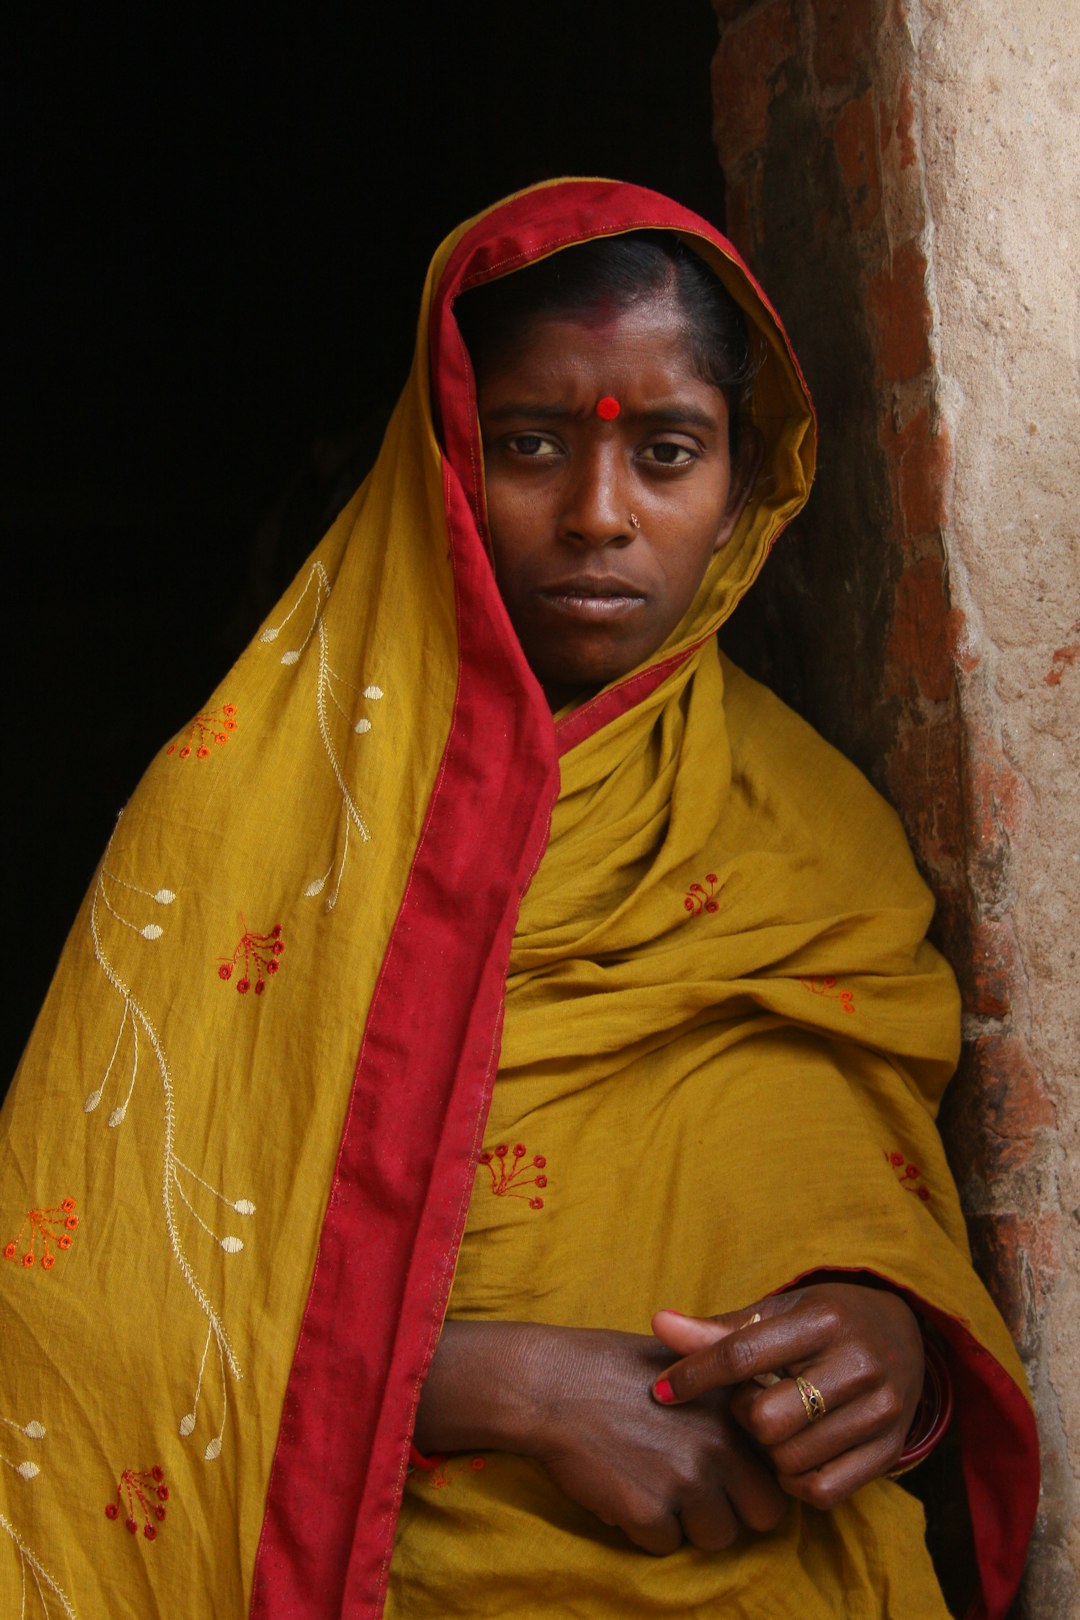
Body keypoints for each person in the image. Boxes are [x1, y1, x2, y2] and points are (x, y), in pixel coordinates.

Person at [0, 180, 1037, 1619]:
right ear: (439, 460)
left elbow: (852, 1171)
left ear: (747, 484)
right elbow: (79, 1284)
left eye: (667, 453)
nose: (600, 515)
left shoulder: (808, 835)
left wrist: (882, 1342)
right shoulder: (251, 804)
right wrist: (505, 1386)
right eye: (530, 446)